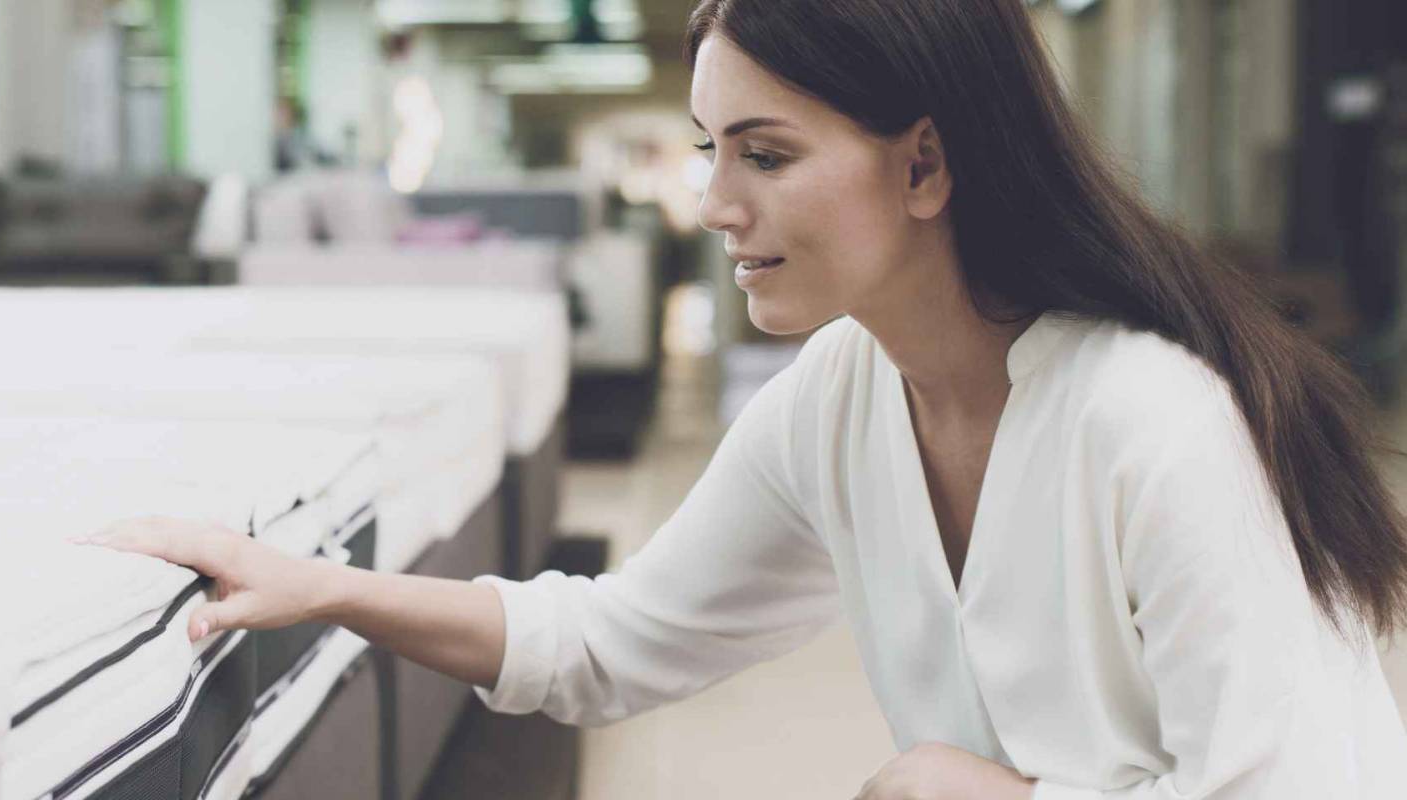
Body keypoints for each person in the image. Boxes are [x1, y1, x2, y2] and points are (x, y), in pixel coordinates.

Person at [82, 1, 1407, 796]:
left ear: (927, 166)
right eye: (714, 151)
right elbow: (610, 641)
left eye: (766, 156)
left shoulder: (1148, 414)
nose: (715, 205)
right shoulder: (841, 395)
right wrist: (321, 585)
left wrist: (978, 793)